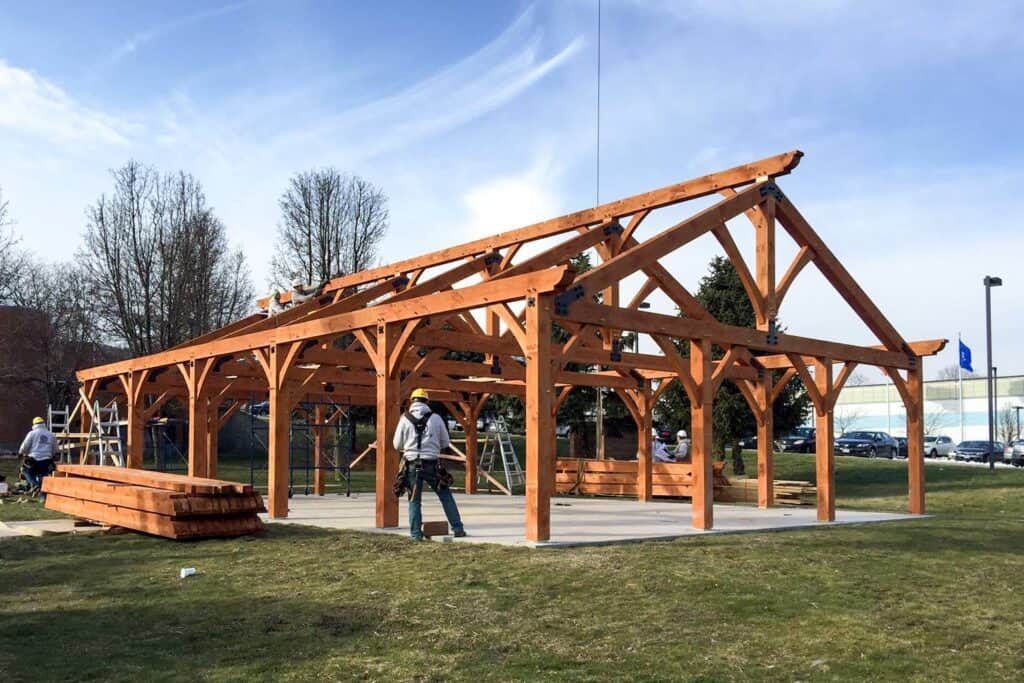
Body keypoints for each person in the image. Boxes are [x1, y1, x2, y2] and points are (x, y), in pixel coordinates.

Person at [393, 388, 466, 541]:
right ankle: (458, 528)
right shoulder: (436, 418)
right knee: (445, 495)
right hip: (432, 464)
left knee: (414, 499)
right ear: (427, 401)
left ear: (412, 401)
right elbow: (445, 442)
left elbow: (396, 444)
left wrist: (410, 447)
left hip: (412, 464)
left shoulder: (405, 418)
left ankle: (416, 534)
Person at [19, 417, 57, 500]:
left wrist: (21, 452)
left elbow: (25, 446)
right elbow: (55, 449)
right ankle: (42, 498)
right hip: (47, 460)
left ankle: (35, 485)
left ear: (34, 424)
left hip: (34, 459)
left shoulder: (32, 433)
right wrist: (51, 455)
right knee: (43, 477)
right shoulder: (51, 434)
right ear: (43, 424)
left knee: (25, 471)